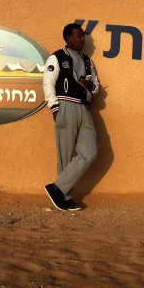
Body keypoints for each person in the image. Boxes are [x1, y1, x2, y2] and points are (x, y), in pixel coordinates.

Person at [42, 23, 101, 211]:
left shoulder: (87, 61)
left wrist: (88, 85)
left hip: (84, 108)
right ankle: (64, 197)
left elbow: (97, 86)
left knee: (90, 151)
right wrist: (54, 107)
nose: (82, 39)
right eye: (78, 35)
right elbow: (48, 83)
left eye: (83, 35)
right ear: (68, 39)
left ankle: (56, 189)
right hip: (65, 105)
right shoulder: (57, 57)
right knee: (65, 155)